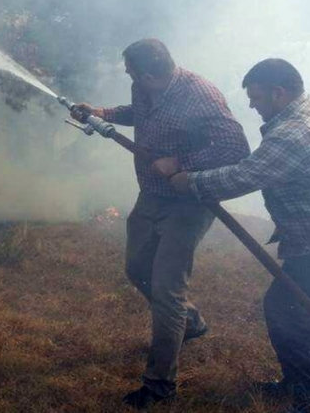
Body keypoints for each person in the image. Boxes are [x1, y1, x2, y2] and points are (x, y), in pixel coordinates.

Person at [154, 58, 310, 413]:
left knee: (287, 309)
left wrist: (186, 180)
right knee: (296, 311)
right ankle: (298, 385)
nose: (251, 105)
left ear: (279, 93)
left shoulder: (296, 133)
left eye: (256, 97)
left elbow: (243, 177)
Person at [73, 39, 250, 409]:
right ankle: (192, 323)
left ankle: (159, 385)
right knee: (137, 268)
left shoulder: (200, 95)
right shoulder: (144, 87)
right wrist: (102, 112)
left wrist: (181, 161)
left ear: (150, 73)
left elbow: (235, 148)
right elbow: (140, 113)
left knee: (167, 291)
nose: (128, 77)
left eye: (131, 72)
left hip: (187, 203)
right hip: (150, 195)